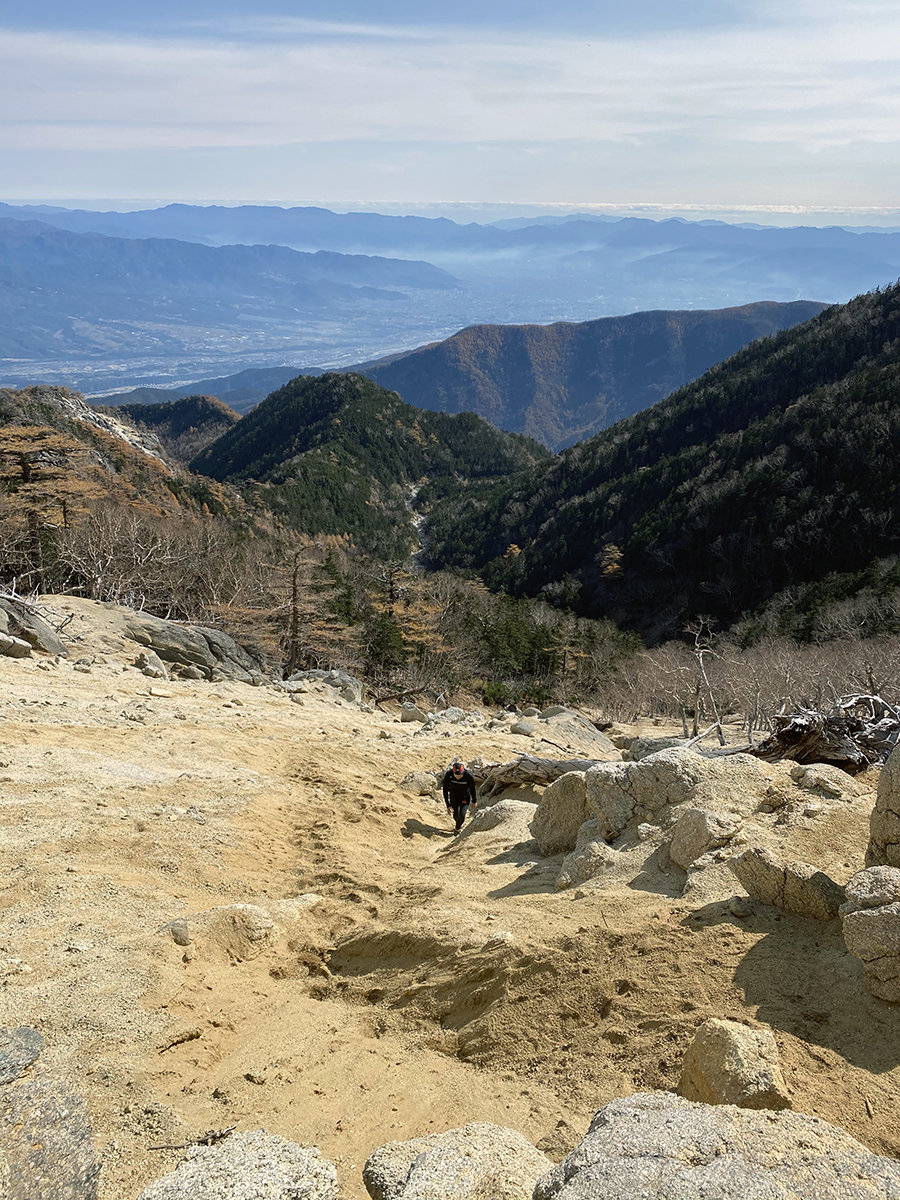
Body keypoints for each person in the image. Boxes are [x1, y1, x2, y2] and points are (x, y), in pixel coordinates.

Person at [442, 759, 477, 834]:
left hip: (465, 796)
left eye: (460, 775)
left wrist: (474, 800)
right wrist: (448, 805)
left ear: (463, 772)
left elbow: (472, 789)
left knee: (462, 814)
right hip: (453, 796)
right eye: (456, 775)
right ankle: (458, 825)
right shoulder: (449, 774)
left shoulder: (468, 776)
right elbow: (445, 789)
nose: (458, 777)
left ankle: (457, 829)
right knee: (456, 815)